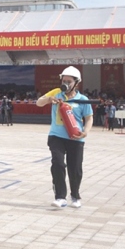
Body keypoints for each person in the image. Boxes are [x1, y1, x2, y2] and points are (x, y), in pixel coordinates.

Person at [36, 66, 93, 209]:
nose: (65, 84)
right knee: (58, 164)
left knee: (75, 168)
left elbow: (89, 118)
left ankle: (75, 196)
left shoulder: (83, 99)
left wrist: (85, 131)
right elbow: (38, 103)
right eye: (64, 80)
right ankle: (60, 197)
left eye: (69, 81)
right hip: (56, 136)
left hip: (75, 138)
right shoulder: (56, 93)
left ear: (76, 83)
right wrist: (49, 99)